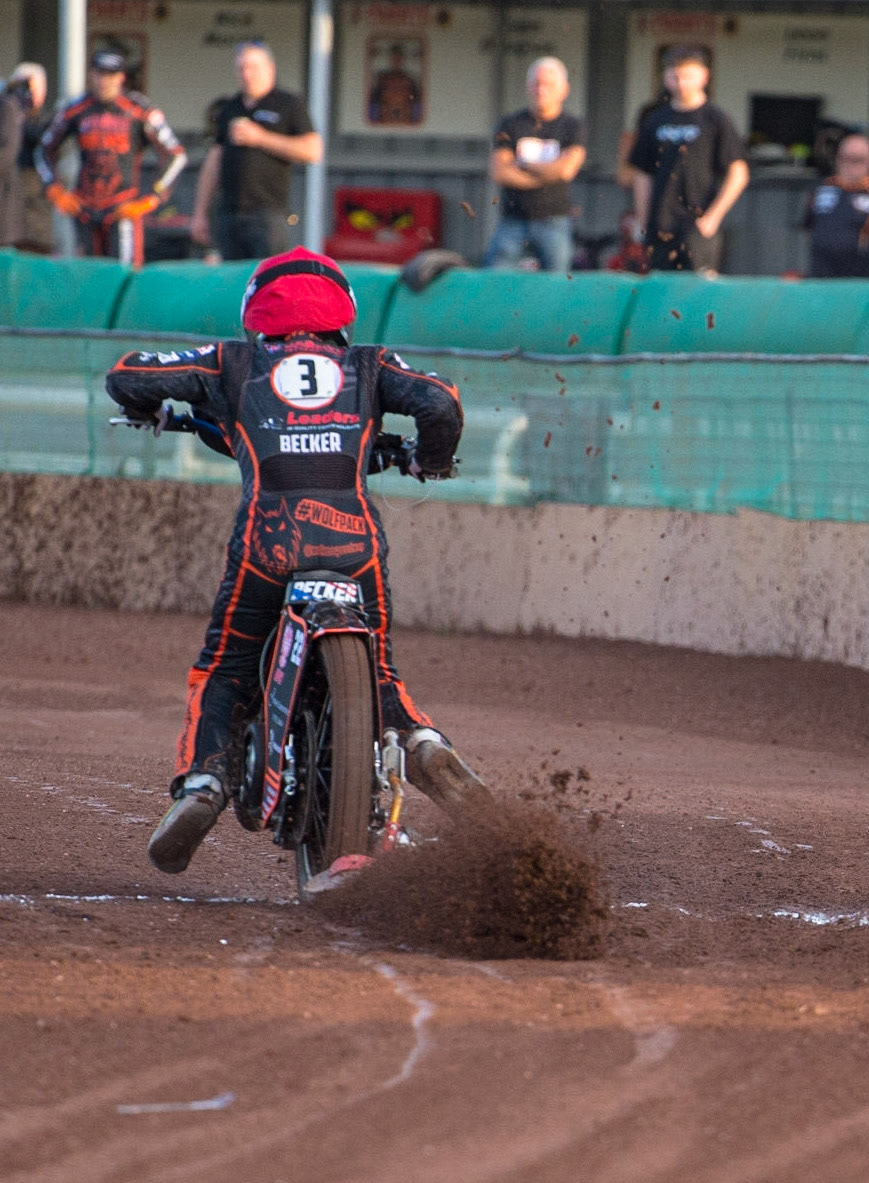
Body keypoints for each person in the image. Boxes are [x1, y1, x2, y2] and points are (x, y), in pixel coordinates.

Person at [103, 246, 491, 875]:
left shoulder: (234, 363)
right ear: (344, 313)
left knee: (225, 669)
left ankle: (203, 783)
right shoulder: (369, 365)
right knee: (382, 674)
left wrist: (149, 412)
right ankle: (421, 745)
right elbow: (441, 403)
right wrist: (432, 458)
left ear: (256, 311)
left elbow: (128, 374)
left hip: (268, 540)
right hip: (355, 542)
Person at [35, 49, 186, 266]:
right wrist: (54, 190)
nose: (105, 81)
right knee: (87, 278)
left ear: (121, 77)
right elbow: (43, 149)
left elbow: (176, 156)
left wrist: (151, 198)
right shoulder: (75, 109)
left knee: (125, 278)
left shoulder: (140, 111)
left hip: (122, 211)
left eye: (111, 74)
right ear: (91, 75)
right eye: (100, 73)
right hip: (85, 211)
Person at [190, 42, 321, 262]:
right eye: (242, 68)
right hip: (230, 213)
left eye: (253, 67)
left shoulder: (287, 103)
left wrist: (261, 138)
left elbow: (312, 150)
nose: (247, 74)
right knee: (233, 281)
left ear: (270, 68)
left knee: (268, 278)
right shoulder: (231, 107)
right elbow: (215, 160)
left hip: (268, 214)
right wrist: (200, 212)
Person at [627, 45, 748, 275]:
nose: (681, 82)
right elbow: (643, 174)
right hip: (660, 227)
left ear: (704, 76)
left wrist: (712, 218)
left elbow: (738, 173)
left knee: (699, 294)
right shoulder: (655, 119)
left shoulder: (716, 120)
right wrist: (642, 220)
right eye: (675, 75)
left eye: (688, 75)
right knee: (660, 295)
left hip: (697, 228)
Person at [484, 56, 585, 273]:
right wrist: (548, 173)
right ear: (528, 87)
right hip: (513, 219)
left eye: (548, 85)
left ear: (564, 90)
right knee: (495, 276)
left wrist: (522, 165)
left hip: (555, 219)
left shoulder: (572, 126)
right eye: (536, 83)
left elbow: (567, 170)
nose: (541, 90)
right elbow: (500, 171)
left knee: (556, 282)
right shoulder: (510, 123)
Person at [804, 132, 869, 278]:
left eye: (857, 160)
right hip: (821, 272)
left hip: (860, 276)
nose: (850, 165)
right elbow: (809, 224)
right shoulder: (823, 188)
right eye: (845, 158)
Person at [1, 63, 52, 252]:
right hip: (11, 197)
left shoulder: (48, 118)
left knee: (36, 249)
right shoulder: (8, 110)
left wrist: (19, 118)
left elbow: (43, 139)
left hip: (36, 197)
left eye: (31, 89)